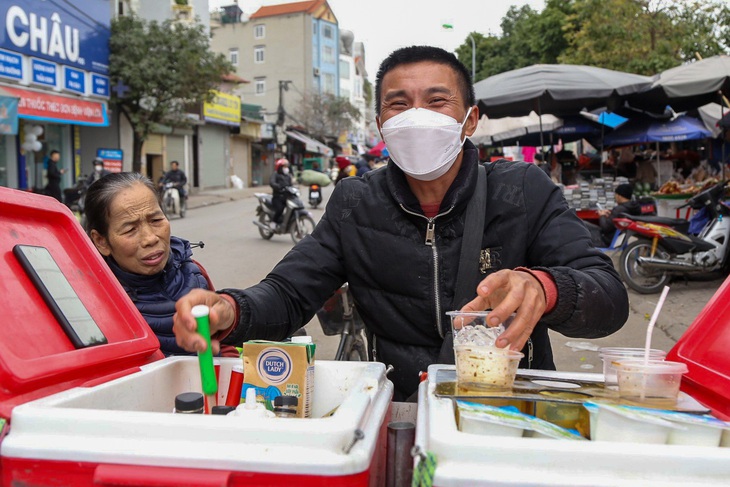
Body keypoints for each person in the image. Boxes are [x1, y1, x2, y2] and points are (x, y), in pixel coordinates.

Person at [172, 46, 628, 401]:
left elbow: (608, 298)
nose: (416, 116)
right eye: (398, 104)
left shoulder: (522, 190)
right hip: (401, 408)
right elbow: (290, 293)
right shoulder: (355, 203)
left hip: (506, 405)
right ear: (380, 123)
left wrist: (545, 287)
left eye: (437, 101)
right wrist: (231, 310)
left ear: (470, 120)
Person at [84, 172, 237, 357]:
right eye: (130, 229)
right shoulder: (96, 302)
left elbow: (223, 344)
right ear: (101, 241)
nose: (150, 238)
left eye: (156, 220)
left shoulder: (193, 274)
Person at [270, 157, 293, 227]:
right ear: (280, 167)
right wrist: (279, 186)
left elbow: (290, 185)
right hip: (277, 197)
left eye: (287, 166)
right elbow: (272, 183)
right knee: (280, 209)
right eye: (284, 166)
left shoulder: (288, 176)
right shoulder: (275, 174)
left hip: (286, 197)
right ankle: (273, 222)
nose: (286, 168)